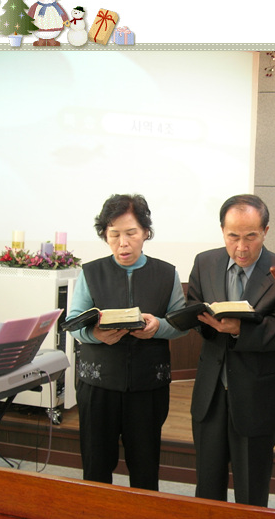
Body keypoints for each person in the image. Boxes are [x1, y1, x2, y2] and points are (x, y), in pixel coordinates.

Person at [66, 194, 187, 491]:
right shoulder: (91, 272)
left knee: (145, 467)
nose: (123, 243)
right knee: (96, 465)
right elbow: (73, 323)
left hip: (148, 386)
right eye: (114, 234)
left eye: (131, 233)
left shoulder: (166, 273)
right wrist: (95, 335)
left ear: (145, 232)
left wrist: (158, 327)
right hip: (98, 385)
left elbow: (181, 323)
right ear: (105, 236)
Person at [187, 194, 275, 507]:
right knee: (207, 488)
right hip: (210, 394)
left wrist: (239, 330)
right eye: (233, 236)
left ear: (266, 231)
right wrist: (204, 322)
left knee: (251, 491)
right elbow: (194, 307)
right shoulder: (205, 262)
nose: (241, 247)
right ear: (222, 231)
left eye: (251, 236)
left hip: (257, 395)